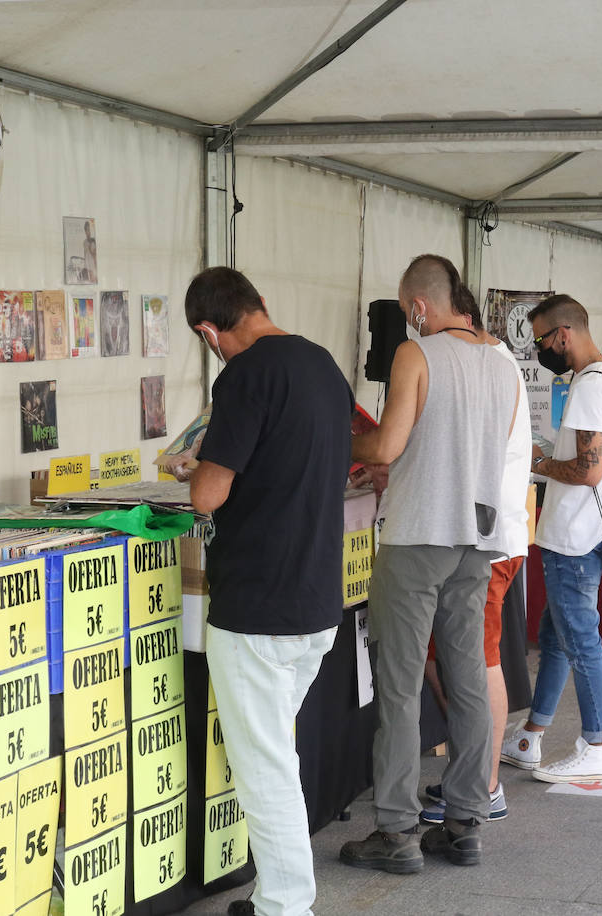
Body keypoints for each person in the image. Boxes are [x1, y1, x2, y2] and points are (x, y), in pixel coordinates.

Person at [184, 266, 353, 916]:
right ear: (260, 303)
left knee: (264, 768)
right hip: (316, 599)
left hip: (258, 603)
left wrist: (194, 466)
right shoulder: (321, 365)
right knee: (274, 752)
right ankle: (275, 895)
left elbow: (208, 491)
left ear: (209, 329)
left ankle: (285, 904)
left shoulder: (246, 375)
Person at [341, 254, 517, 873]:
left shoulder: (416, 354)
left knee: (398, 682)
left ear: (418, 306)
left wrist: (340, 440)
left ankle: (397, 831)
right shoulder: (504, 365)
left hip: (417, 538)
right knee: (467, 678)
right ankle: (466, 819)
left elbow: (387, 443)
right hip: (476, 536)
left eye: (406, 308)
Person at [498, 295, 602, 782]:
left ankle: (597, 746)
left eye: (541, 340)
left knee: (579, 641)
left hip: (573, 538)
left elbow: (588, 470)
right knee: (555, 636)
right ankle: (531, 736)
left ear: (564, 334)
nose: (540, 351)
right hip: (582, 533)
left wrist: (537, 462)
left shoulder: (590, 386)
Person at [420, 284, 529, 826]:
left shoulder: (488, 362)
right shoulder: (491, 360)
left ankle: (485, 785)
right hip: (482, 534)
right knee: (453, 655)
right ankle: (474, 774)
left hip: (486, 539)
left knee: (478, 660)